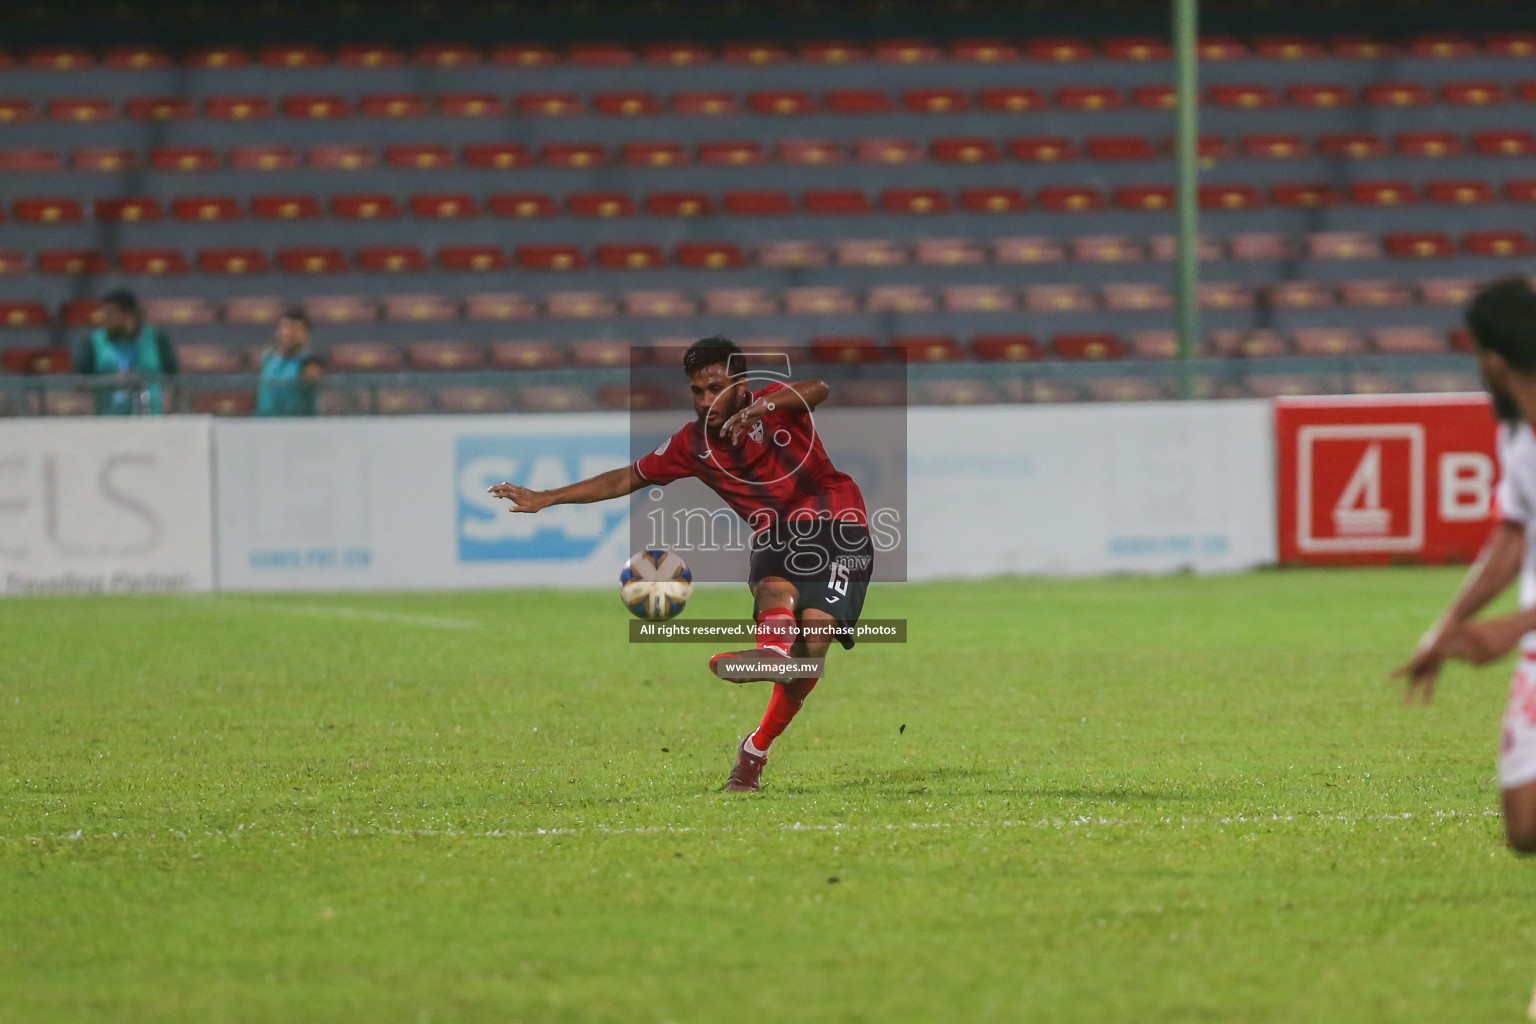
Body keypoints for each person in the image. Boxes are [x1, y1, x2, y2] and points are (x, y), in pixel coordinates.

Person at [488, 336, 874, 793]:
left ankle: (755, 748)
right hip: (777, 532)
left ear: (742, 385)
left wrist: (757, 412)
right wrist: (548, 497)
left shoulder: (775, 404)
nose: (707, 400)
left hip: (839, 519)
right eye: (697, 391)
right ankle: (771, 653)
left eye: (716, 388)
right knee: (774, 583)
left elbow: (819, 388)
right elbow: (627, 477)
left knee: (812, 652)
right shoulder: (692, 445)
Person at [1395, 276, 1536, 853]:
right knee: (1525, 828)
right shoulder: (1518, 437)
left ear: (1495, 359)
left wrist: (1515, 626)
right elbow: (1512, 536)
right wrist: (1449, 624)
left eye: (1477, 352)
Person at [73, 289, 178, 415]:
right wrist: (108, 382)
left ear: (128, 314)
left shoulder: (156, 338)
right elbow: (79, 382)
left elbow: (174, 377)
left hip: (150, 417)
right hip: (109, 419)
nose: (105, 318)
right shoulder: (95, 341)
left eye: (111, 313)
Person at [255, 309, 323, 416]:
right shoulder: (267, 358)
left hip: (296, 428)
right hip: (264, 426)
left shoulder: (310, 364)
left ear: (306, 335)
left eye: (296, 328)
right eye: (286, 327)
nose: (289, 333)